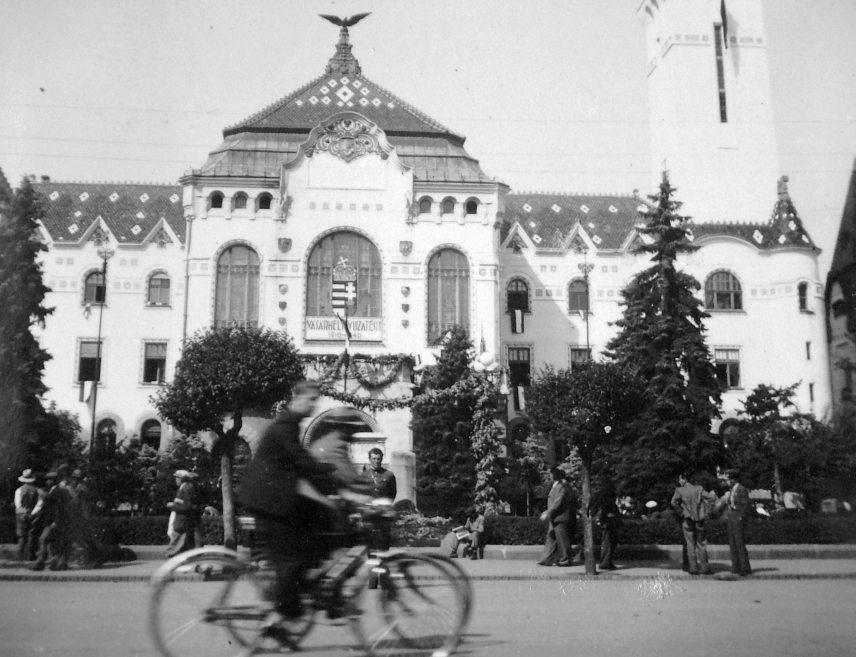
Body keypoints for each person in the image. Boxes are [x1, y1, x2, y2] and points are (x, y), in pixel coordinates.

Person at [239, 381, 337, 626]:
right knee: (290, 557)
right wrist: (336, 488)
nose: (314, 406)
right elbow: (303, 462)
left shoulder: (291, 425)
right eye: (311, 400)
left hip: (275, 498)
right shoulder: (285, 426)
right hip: (268, 502)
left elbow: (300, 466)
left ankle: (296, 595)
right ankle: (277, 616)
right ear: (298, 398)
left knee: (313, 532)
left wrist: (328, 493)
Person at [671, 471, 715, 575]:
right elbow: (712, 498)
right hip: (700, 519)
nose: (679, 481)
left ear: (683, 479)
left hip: (687, 519)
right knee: (702, 544)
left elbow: (673, 502)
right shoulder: (699, 489)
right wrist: (707, 512)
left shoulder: (680, 490)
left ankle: (693, 568)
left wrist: (681, 512)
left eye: (680, 479)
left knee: (690, 544)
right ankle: (705, 568)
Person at [32, 466, 74, 571]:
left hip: (55, 521)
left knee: (44, 539)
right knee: (54, 542)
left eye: (50, 480)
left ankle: (41, 562)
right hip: (53, 521)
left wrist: (55, 521)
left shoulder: (57, 491)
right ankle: (55, 563)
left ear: (55, 480)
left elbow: (59, 508)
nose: (48, 481)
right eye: (47, 480)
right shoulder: (55, 490)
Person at [537, 467, 576, 567]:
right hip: (554, 517)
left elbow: (558, 501)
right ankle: (546, 559)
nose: (549, 476)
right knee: (551, 538)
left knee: (562, 539)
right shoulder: (556, 485)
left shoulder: (561, 486)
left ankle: (566, 559)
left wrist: (548, 512)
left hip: (560, 517)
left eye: (551, 474)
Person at [165, 469, 201, 557]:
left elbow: (186, 506)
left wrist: (172, 506)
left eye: (177, 478)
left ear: (182, 479)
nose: (176, 480)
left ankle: (171, 566)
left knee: (174, 547)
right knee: (190, 546)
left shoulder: (186, 488)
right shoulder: (184, 488)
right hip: (184, 522)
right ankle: (198, 566)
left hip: (182, 522)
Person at [724, 468, 752, 577]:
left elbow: (745, 505)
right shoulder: (732, 490)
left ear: (734, 479)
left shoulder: (741, 489)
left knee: (739, 543)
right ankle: (735, 566)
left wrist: (741, 517)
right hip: (731, 517)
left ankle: (744, 567)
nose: (727, 481)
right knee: (733, 543)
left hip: (738, 517)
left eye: (728, 479)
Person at [589, 479, 620, 571]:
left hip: (604, 521)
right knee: (609, 542)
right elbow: (606, 508)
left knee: (607, 542)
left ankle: (606, 562)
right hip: (609, 521)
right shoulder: (609, 495)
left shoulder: (598, 495)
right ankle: (606, 562)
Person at [14, 469, 40, 561]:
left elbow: (18, 504)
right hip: (32, 514)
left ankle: (19, 556)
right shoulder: (37, 491)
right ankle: (31, 556)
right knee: (31, 535)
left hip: (21, 514)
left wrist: (23, 512)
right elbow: (39, 504)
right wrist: (32, 513)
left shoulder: (19, 490)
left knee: (21, 536)